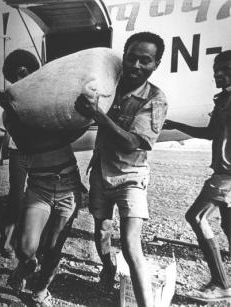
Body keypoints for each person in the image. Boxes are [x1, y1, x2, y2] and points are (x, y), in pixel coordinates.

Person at [76, 31, 167, 307]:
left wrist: (98, 116)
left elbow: (132, 143)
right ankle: (107, 268)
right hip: (101, 173)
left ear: (156, 64)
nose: (137, 66)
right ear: (123, 56)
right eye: (132, 58)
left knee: (130, 245)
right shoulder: (110, 85)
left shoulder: (155, 99)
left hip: (131, 178)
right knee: (101, 231)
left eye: (145, 61)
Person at [0, 59, 87, 307]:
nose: (23, 81)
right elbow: (26, 143)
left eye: (27, 74)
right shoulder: (11, 113)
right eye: (17, 77)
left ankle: (41, 291)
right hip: (40, 187)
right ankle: (25, 267)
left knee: (53, 249)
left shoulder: (56, 100)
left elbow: (75, 130)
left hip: (68, 185)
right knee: (26, 249)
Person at [163, 50, 231, 302]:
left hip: (227, 176)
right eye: (217, 70)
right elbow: (211, 134)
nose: (220, 74)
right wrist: (177, 125)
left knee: (196, 216)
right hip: (223, 173)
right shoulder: (222, 100)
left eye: (227, 69)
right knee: (227, 226)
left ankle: (221, 283)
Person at [0, 49, 40, 259]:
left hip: (25, 152)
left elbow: (1, 129)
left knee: (24, 196)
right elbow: (4, 125)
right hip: (23, 151)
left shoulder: (23, 91)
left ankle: (17, 242)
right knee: (20, 196)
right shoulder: (13, 93)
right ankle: (11, 242)